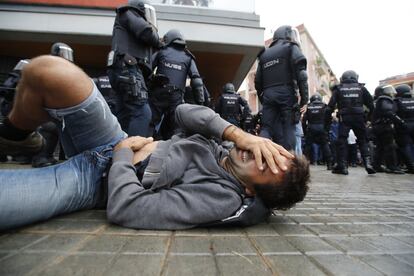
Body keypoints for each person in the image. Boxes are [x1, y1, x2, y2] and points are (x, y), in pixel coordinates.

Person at [0, 55, 310, 231]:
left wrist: (121, 158)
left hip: (93, 179)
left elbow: (128, 209)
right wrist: (238, 133)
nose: (260, 152)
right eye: (270, 150)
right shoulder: (226, 149)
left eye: (265, 165)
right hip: (111, 140)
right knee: (46, 71)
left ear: (250, 191)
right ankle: (19, 138)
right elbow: (184, 112)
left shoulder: (222, 197)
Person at [107, 0, 162, 137]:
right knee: (142, 112)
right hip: (127, 68)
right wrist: (160, 43)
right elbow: (147, 32)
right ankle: (134, 155)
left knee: (123, 115)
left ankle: (119, 152)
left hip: (123, 70)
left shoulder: (127, 20)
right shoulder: (127, 12)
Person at [255, 25, 308, 151]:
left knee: (266, 128)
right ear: (288, 35)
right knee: (288, 126)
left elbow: (257, 82)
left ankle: (262, 157)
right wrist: (304, 101)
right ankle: (288, 161)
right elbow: (302, 75)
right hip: (286, 93)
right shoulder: (291, 47)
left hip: (268, 95)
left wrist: (264, 100)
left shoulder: (264, 55)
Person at [149, 29, 204, 140]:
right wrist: (200, 103)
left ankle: (146, 146)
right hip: (176, 96)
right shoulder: (188, 57)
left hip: (158, 93)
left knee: (150, 123)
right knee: (175, 128)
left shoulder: (161, 51)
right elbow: (197, 81)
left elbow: (147, 69)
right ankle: (172, 150)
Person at [326, 70, 375, 175]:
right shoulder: (361, 88)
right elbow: (371, 105)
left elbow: (330, 106)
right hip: (359, 117)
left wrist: (327, 120)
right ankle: (368, 163)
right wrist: (367, 117)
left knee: (342, 141)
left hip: (345, 118)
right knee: (362, 140)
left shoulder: (338, 89)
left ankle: (342, 167)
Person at [371, 85, 405, 174]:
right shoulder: (384, 99)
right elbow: (388, 111)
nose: (391, 92)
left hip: (378, 126)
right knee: (390, 146)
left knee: (380, 147)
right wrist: (399, 120)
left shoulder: (377, 101)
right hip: (384, 126)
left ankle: (376, 165)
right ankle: (392, 167)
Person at [302, 93, 333, 170]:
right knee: (325, 145)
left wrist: (305, 132)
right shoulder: (324, 106)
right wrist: (326, 130)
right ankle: (329, 164)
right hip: (321, 128)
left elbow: (304, 120)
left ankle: (303, 164)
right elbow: (329, 120)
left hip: (311, 128)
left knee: (308, 146)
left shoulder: (308, 107)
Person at [394, 84, 414, 173]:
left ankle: (411, 166)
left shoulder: (397, 101)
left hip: (403, 127)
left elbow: (392, 113)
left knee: (406, 146)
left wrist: (400, 122)